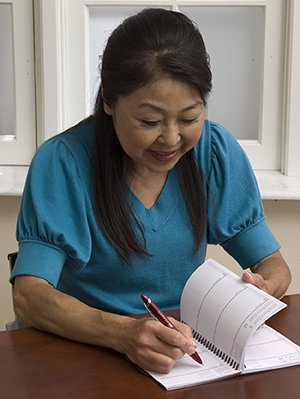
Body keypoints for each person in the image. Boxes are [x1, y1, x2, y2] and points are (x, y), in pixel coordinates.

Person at [11, 8, 291, 374]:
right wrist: (124, 333)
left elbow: (273, 265)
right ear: (110, 102)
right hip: (83, 356)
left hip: (181, 354)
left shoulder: (214, 150)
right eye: (150, 121)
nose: (172, 139)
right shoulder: (63, 162)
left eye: (190, 118)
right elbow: (30, 297)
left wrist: (262, 291)